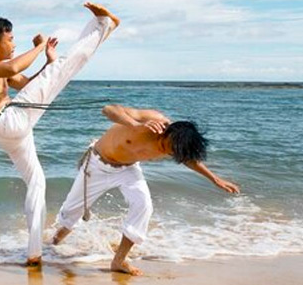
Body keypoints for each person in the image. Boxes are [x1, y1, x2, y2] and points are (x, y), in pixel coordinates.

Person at [0, 2, 120, 267]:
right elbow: (13, 68)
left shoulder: (0, 68)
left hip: (9, 130)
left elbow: (29, 83)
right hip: (8, 123)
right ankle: (102, 26)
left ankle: (34, 252)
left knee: (38, 182)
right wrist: (40, 47)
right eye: (10, 39)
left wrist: (47, 62)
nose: (13, 44)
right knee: (61, 69)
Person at [51, 104, 240, 275]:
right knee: (71, 212)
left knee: (144, 206)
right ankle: (53, 244)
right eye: (165, 145)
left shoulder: (176, 146)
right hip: (97, 164)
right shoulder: (153, 120)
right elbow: (108, 109)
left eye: (171, 152)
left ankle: (119, 261)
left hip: (128, 169)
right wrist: (135, 124)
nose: (165, 151)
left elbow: (189, 159)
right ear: (166, 132)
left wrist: (215, 179)